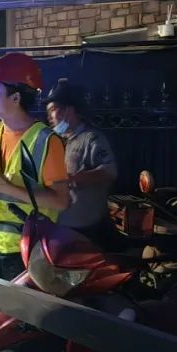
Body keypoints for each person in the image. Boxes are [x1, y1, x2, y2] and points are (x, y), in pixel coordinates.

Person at [0, 52, 71, 284]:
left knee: (17, 310)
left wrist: (8, 188)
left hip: (22, 255)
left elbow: (60, 201)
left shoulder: (46, 141)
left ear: (16, 97)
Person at [45, 79, 118, 240]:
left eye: (53, 110)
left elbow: (109, 172)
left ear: (69, 110)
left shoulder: (91, 138)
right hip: (60, 225)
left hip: (85, 228)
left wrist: (72, 179)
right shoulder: (57, 141)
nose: (49, 117)